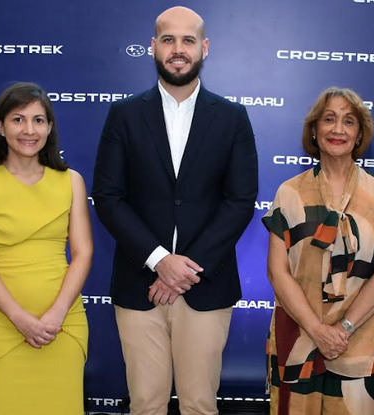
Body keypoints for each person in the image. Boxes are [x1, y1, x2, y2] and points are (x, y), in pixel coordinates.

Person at [91, 6, 258, 415]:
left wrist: (185, 268)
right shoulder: (124, 115)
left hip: (207, 285)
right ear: (153, 47)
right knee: (145, 404)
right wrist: (160, 260)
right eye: (168, 39)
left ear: (204, 48)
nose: (177, 49)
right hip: (139, 284)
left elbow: (240, 201)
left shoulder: (233, 118)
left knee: (199, 405)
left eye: (187, 40)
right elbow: (109, 197)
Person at [262, 87, 374, 415]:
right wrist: (316, 329)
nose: (338, 129)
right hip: (296, 335)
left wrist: (343, 330)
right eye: (329, 119)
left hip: (359, 339)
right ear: (314, 130)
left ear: (359, 135)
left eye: (348, 122)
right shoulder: (289, 192)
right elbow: (277, 271)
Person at [0, 82, 92, 414]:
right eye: (18, 120)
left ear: (49, 128)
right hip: (2, 328)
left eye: (38, 120)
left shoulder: (70, 181)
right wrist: (20, 319)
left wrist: (57, 314)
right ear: (1, 127)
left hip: (62, 327)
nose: (29, 130)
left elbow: (84, 252)